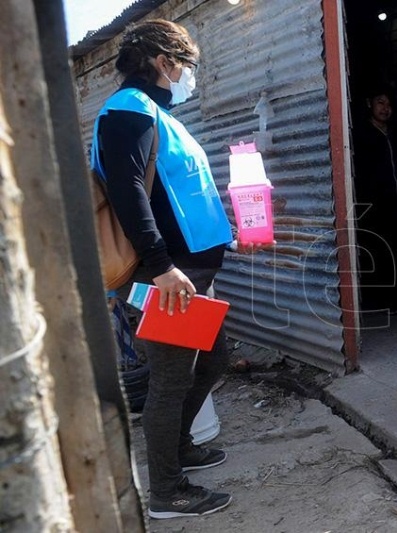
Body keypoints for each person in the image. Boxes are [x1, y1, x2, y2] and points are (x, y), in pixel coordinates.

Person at [90, 19, 235, 519]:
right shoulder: (126, 112)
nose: (190, 75)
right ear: (163, 61)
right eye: (187, 64)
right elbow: (128, 193)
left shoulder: (153, 111)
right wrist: (160, 267)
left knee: (213, 359)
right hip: (167, 276)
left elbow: (175, 193)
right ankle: (167, 491)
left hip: (190, 273)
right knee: (172, 378)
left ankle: (178, 452)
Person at [352, 84, 397, 315]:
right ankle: (384, 301)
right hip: (375, 205)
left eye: (388, 104)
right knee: (379, 252)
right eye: (380, 103)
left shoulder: (395, 132)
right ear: (370, 104)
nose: (385, 108)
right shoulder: (362, 134)